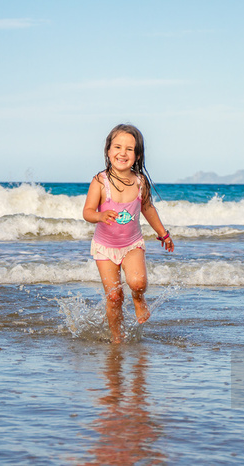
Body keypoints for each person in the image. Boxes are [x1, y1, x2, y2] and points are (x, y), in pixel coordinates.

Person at [83, 124, 174, 343]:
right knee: (114, 296)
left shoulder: (140, 182)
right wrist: (100, 216)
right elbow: (87, 212)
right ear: (108, 150)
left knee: (138, 282)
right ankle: (117, 337)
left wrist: (163, 233)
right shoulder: (100, 181)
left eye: (129, 149)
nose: (122, 153)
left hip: (132, 244)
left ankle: (138, 298)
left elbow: (148, 209)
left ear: (137, 155)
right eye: (117, 147)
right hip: (105, 247)